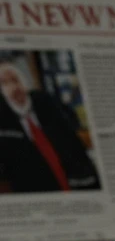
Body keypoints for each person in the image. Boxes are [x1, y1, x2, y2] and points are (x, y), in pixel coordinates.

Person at [0, 58, 100, 194]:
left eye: (15, 79)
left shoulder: (46, 102)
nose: (13, 87)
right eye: (4, 83)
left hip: (73, 180)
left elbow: (72, 137)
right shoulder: (3, 119)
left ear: (24, 82)